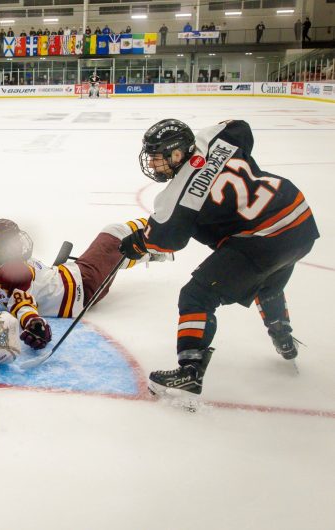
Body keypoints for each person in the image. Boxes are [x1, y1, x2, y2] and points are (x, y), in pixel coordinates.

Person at [120, 119, 319, 398]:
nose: (153, 165)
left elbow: (166, 240)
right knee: (268, 282)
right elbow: (241, 127)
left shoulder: (175, 197)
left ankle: (190, 371)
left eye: (157, 158)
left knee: (196, 297)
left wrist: (137, 243)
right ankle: (283, 337)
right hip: (299, 221)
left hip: (264, 240)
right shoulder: (213, 138)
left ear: (177, 154)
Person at [0, 218, 165, 349]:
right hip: (84, 280)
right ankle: (164, 228)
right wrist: (35, 324)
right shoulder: (13, 271)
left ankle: (151, 254)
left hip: (74, 282)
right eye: (13, 241)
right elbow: (23, 304)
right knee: (115, 233)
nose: (19, 243)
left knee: (112, 255)